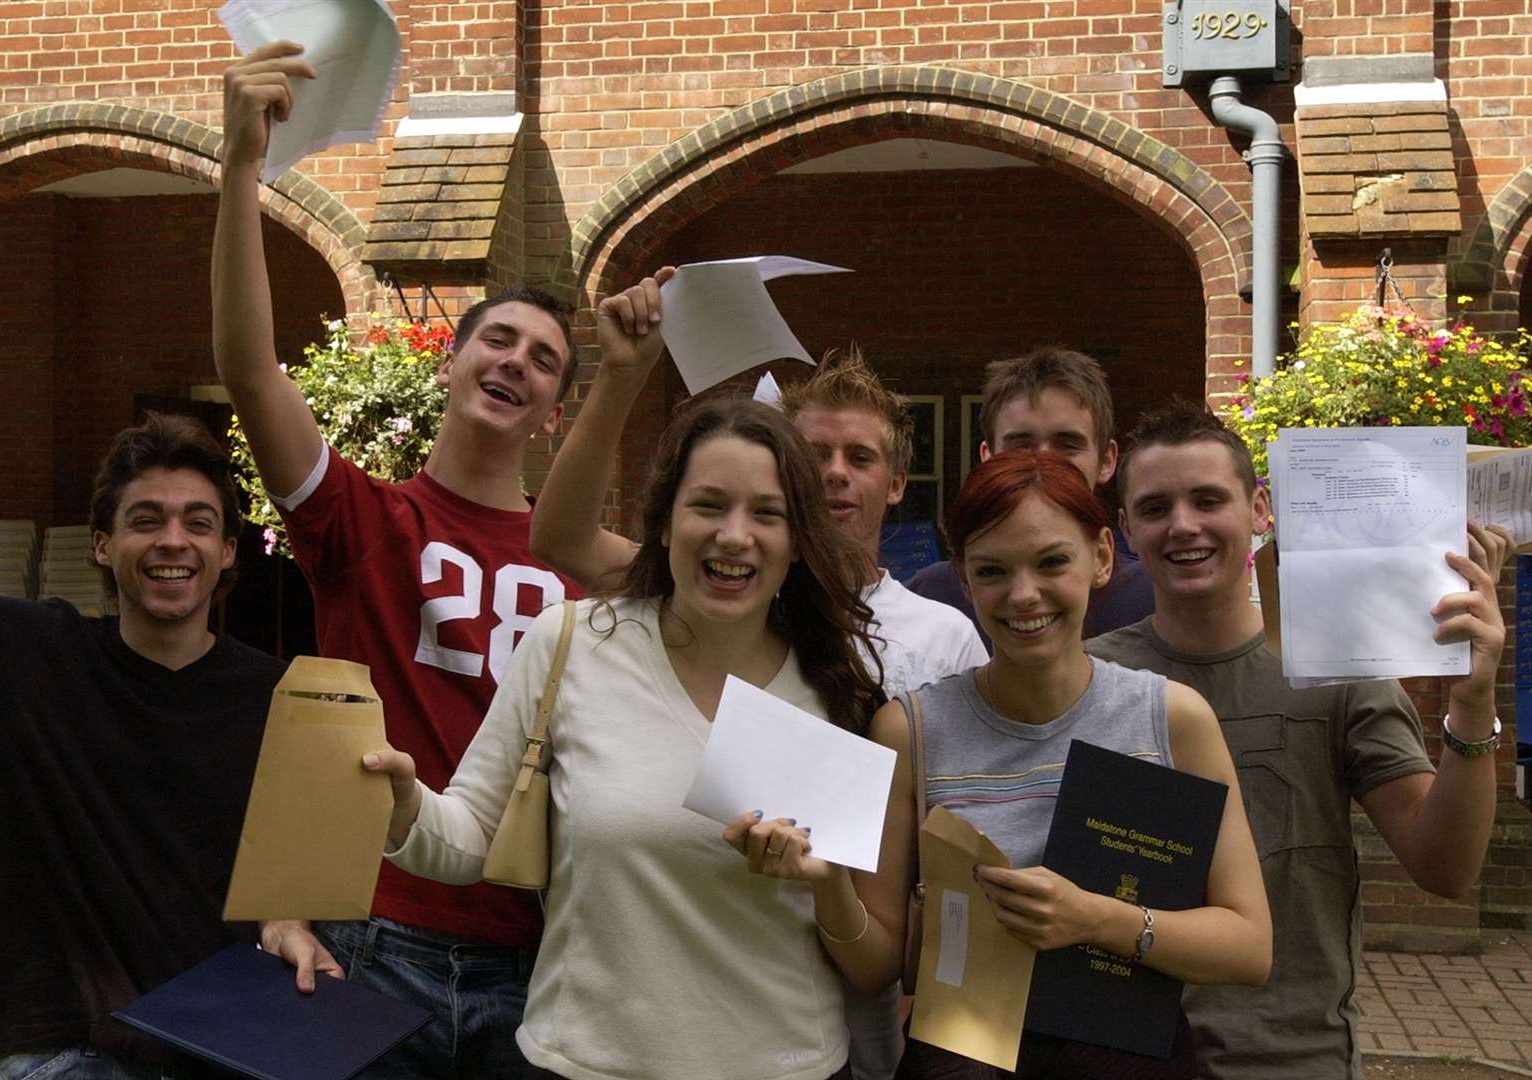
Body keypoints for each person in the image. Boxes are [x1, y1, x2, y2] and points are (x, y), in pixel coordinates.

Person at [214, 42, 580, 1078]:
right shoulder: (361, 523)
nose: (515, 360)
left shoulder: (587, 576)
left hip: (537, 953)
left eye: (543, 358)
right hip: (375, 936)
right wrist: (241, 168)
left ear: (560, 409)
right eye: (496, 340)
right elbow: (247, 369)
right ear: (451, 359)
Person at [528, 294, 987, 1080]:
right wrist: (620, 375)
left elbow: (963, 843)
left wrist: (929, 968)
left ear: (899, 481)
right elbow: (562, 536)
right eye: (818, 456)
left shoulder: (941, 637)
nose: (838, 474)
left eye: (862, 457)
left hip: (856, 1006)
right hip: (710, 1002)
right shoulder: (716, 590)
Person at [364, 394, 887, 1080]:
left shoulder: (836, 695)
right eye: (708, 505)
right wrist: (404, 805)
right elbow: (471, 838)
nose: (735, 535)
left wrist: (828, 887)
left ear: (797, 541)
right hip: (580, 1064)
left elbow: (875, 962)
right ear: (665, 522)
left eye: (767, 513)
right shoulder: (572, 644)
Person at [734, 450, 1272, 1079]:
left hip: (1125, 1059)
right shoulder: (911, 730)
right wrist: (827, 884)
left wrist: (1095, 918)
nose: (1023, 596)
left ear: (1101, 557)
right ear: (962, 578)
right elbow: (874, 966)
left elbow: (1249, 945)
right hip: (962, 1060)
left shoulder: (1172, 719)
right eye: (992, 570)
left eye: (1052, 562)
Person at [1088, 402, 1510, 1080]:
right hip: (1120, 1057)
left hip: (1290, 1058)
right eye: (1156, 506)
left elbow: (1446, 867)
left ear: (1260, 510)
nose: (1184, 525)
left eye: (1208, 499)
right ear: (1127, 530)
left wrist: (1472, 702)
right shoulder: (1089, 679)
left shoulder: (1336, 672)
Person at [0, 413, 287, 1080]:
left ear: (226, 552)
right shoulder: (30, 653)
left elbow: (303, 867)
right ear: (102, 545)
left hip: (228, 1040)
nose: (172, 541)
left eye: (198, 522)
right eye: (145, 519)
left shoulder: (280, 696)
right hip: (68, 1047)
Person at [907, 347, 1153, 643]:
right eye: (1021, 445)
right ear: (988, 457)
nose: (1044, 460)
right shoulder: (933, 598)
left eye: (1068, 443)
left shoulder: (1151, 598)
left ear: (1107, 460)